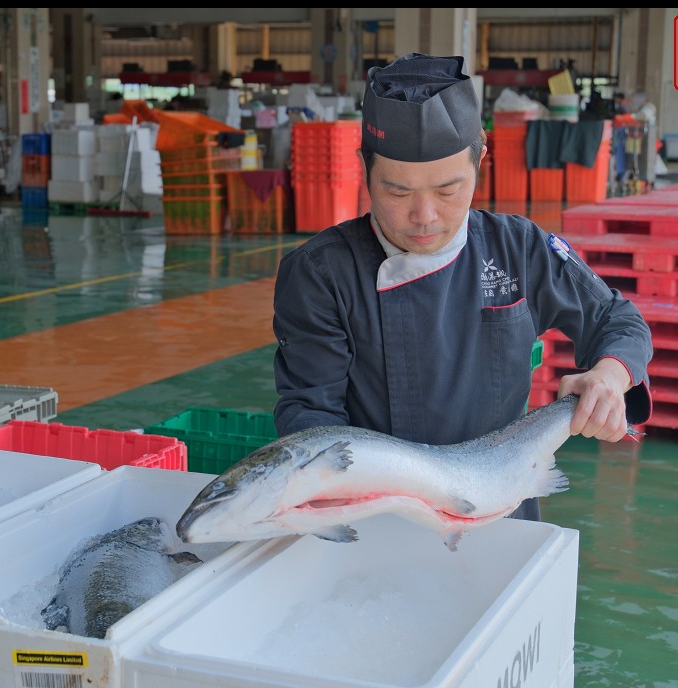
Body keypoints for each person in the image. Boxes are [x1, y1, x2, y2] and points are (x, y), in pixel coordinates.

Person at [271, 53, 653, 522]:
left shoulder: (520, 248)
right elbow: (312, 416)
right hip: (373, 518)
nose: (425, 216)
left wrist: (610, 376)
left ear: (481, 160)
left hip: (502, 505)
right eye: (397, 192)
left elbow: (616, 319)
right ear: (363, 168)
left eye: (448, 190)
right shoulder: (320, 273)